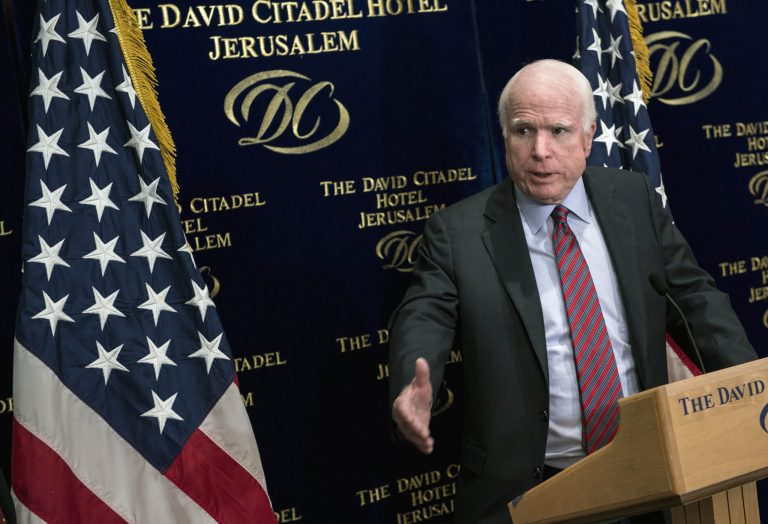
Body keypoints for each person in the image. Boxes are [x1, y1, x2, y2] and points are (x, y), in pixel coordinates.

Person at [388, 59, 756, 524]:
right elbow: (424, 317)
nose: (540, 151)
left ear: (588, 136)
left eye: (559, 130)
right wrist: (410, 384)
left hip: (654, 476)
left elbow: (696, 299)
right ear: (505, 136)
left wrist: (753, 386)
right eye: (524, 131)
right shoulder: (457, 233)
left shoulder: (634, 199)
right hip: (528, 491)